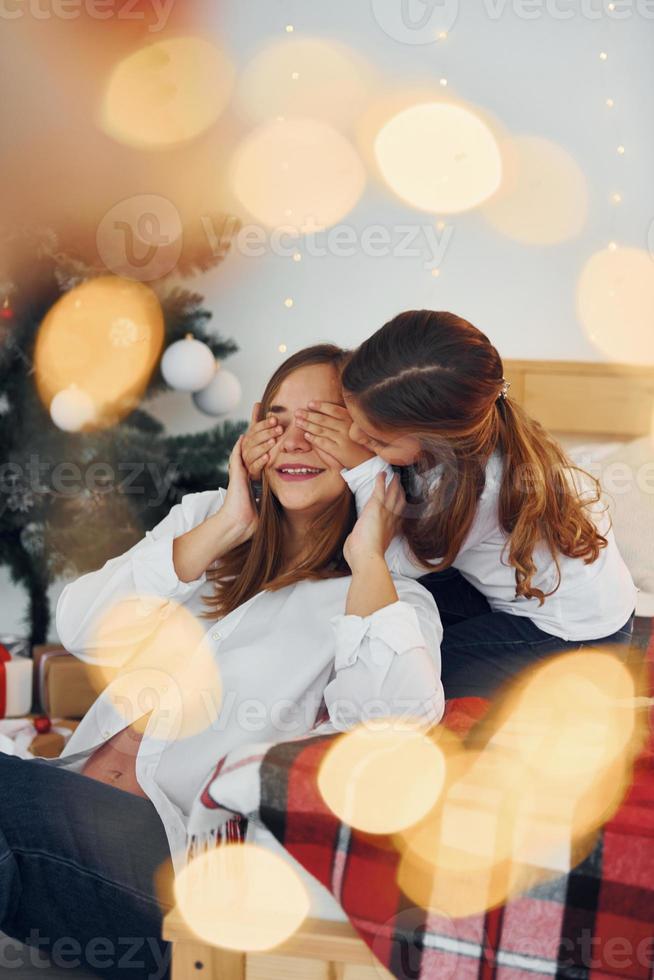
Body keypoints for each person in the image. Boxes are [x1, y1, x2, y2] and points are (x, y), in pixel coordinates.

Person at [0, 344, 444, 980]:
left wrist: (370, 551)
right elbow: (83, 628)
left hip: (168, 881)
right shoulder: (207, 519)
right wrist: (231, 520)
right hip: (66, 810)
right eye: (278, 420)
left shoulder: (385, 599)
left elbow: (395, 722)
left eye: (323, 423)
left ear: (371, 446)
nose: (294, 441)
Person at [286, 311, 637, 698]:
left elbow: (390, 564)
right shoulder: (460, 437)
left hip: (574, 637)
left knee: (408, 678)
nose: (352, 435)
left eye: (376, 440)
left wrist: (365, 468)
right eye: (350, 417)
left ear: (438, 441)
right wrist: (372, 451)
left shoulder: (478, 487)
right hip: (541, 593)